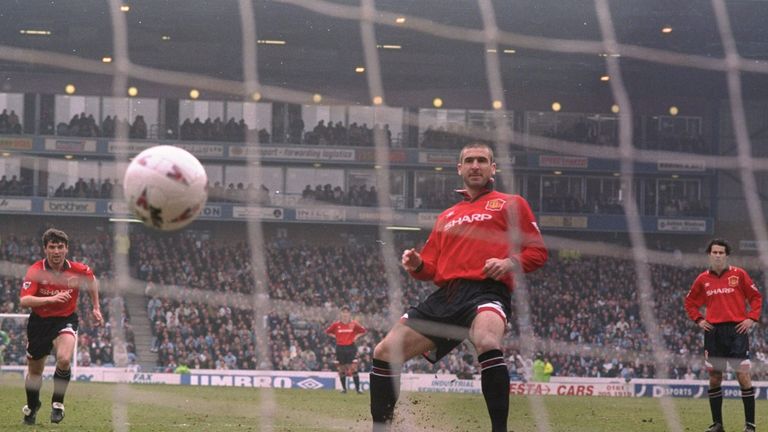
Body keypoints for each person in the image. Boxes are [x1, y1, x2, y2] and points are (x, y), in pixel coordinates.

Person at [370, 142, 548, 432]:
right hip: (447, 296)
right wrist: (415, 263)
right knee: (385, 351)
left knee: (488, 342)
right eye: (469, 161)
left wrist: (507, 263)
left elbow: (537, 253)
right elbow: (429, 270)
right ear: (460, 168)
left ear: (493, 168)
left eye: (481, 160)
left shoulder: (511, 203)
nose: (475, 165)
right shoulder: (447, 216)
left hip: (487, 291)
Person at [19, 228, 103, 425]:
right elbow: (24, 301)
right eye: (52, 247)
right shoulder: (36, 270)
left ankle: (58, 404)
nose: (56, 251)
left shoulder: (79, 269)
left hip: (65, 319)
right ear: (45, 249)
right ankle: (32, 407)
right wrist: (53, 298)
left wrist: (96, 307)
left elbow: (92, 282)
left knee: (64, 359)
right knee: (35, 373)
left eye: (60, 247)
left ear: (66, 249)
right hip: (39, 323)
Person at [684, 239, 762, 432]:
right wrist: (699, 320)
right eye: (714, 252)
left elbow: (756, 297)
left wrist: (751, 318)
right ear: (709, 254)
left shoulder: (739, 274)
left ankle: (750, 426)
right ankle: (718, 425)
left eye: (721, 252)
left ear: (727, 255)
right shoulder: (703, 279)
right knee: (715, 378)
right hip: (714, 332)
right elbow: (690, 302)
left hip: (737, 331)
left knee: (743, 376)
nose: (718, 255)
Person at [325, 305, 367, 394]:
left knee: (353, 368)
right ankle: (344, 389)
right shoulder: (336, 324)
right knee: (341, 369)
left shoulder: (354, 324)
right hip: (340, 348)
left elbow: (363, 331)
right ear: (341, 314)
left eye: (347, 312)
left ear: (349, 314)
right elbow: (327, 332)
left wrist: (356, 337)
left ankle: (358, 389)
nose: (345, 314)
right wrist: (336, 336)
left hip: (351, 347)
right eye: (343, 312)